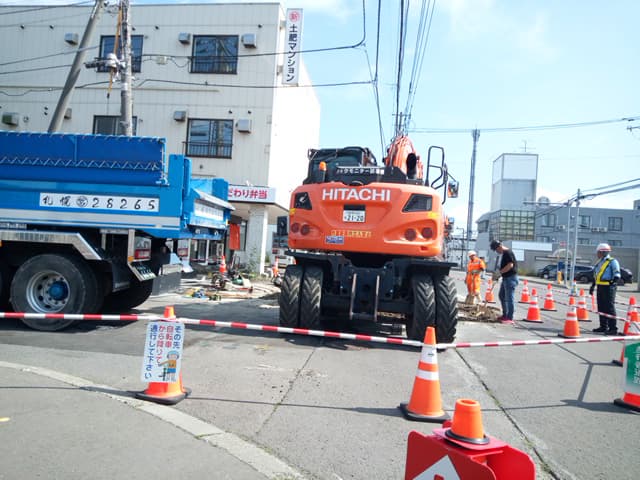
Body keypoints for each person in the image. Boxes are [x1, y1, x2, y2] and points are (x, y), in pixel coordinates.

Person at [589, 243, 621, 335]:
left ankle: (613, 328)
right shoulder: (599, 262)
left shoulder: (612, 261)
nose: (597, 254)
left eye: (598, 252)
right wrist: (593, 286)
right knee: (601, 307)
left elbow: (617, 274)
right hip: (600, 286)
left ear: (603, 252)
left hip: (609, 287)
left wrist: (613, 283)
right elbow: (596, 275)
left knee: (609, 307)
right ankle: (603, 326)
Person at [490, 240, 519, 324]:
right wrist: (498, 275)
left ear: (499, 246)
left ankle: (509, 317)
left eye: (496, 250)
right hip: (506, 278)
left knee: (509, 298)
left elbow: (510, 265)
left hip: (511, 278)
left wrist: (500, 272)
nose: (496, 252)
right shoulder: (504, 254)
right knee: (502, 296)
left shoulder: (508, 252)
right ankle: (505, 315)